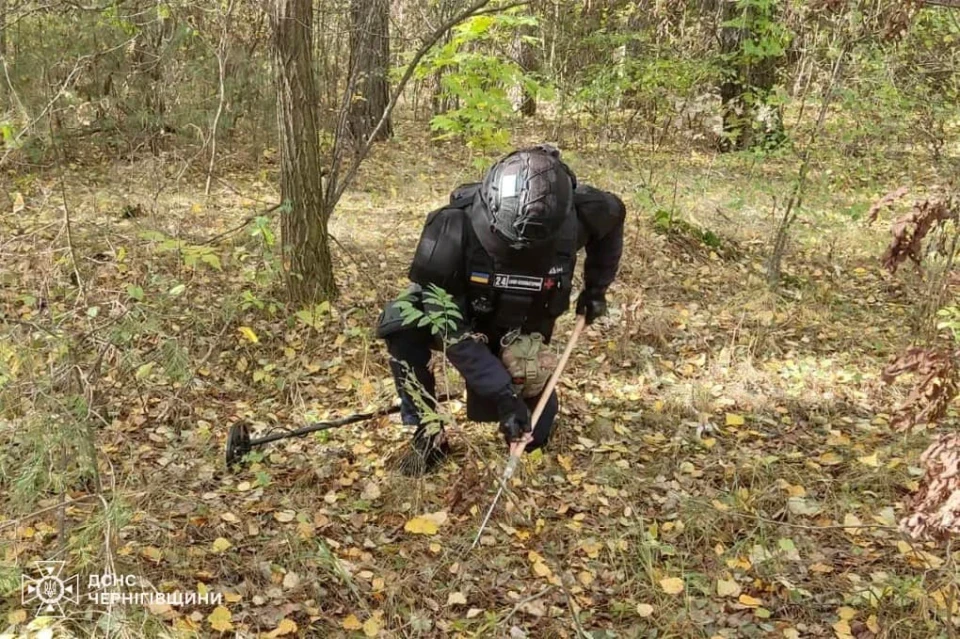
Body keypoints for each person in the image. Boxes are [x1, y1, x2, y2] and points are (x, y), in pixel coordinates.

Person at [376, 145, 625, 475]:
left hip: (521, 328)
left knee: (534, 437)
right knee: (401, 324)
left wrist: (596, 290)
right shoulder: (452, 227)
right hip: (465, 318)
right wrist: (503, 393)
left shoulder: (583, 212)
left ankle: (520, 393)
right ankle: (428, 431)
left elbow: (614, 217)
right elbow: (449, 328)